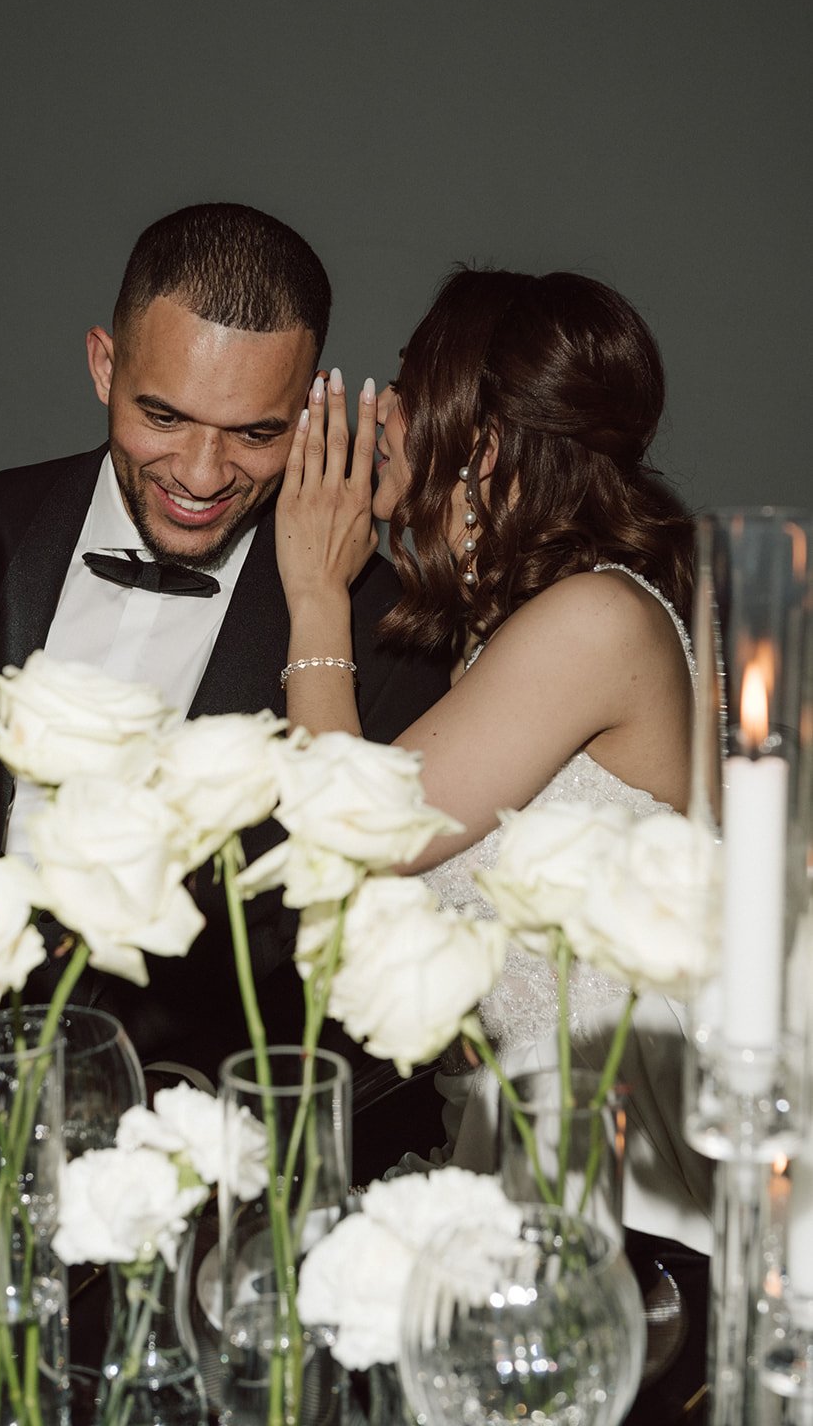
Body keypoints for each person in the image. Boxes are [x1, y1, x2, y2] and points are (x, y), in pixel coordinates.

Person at [0, 202, 451, 1093]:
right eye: (165, 417)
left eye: (256, 432)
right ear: (104, 366)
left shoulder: (386, 633)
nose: (202, 475)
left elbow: (364, 983)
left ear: (309, 411)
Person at [274, 265, 713, 1270]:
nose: (384, 414)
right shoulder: (509, 634)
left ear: (479, 439)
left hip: (621, 1177)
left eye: (407, 385)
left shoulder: (595, 619)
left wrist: (314, 595)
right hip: (518, 1146)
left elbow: (353, 839)